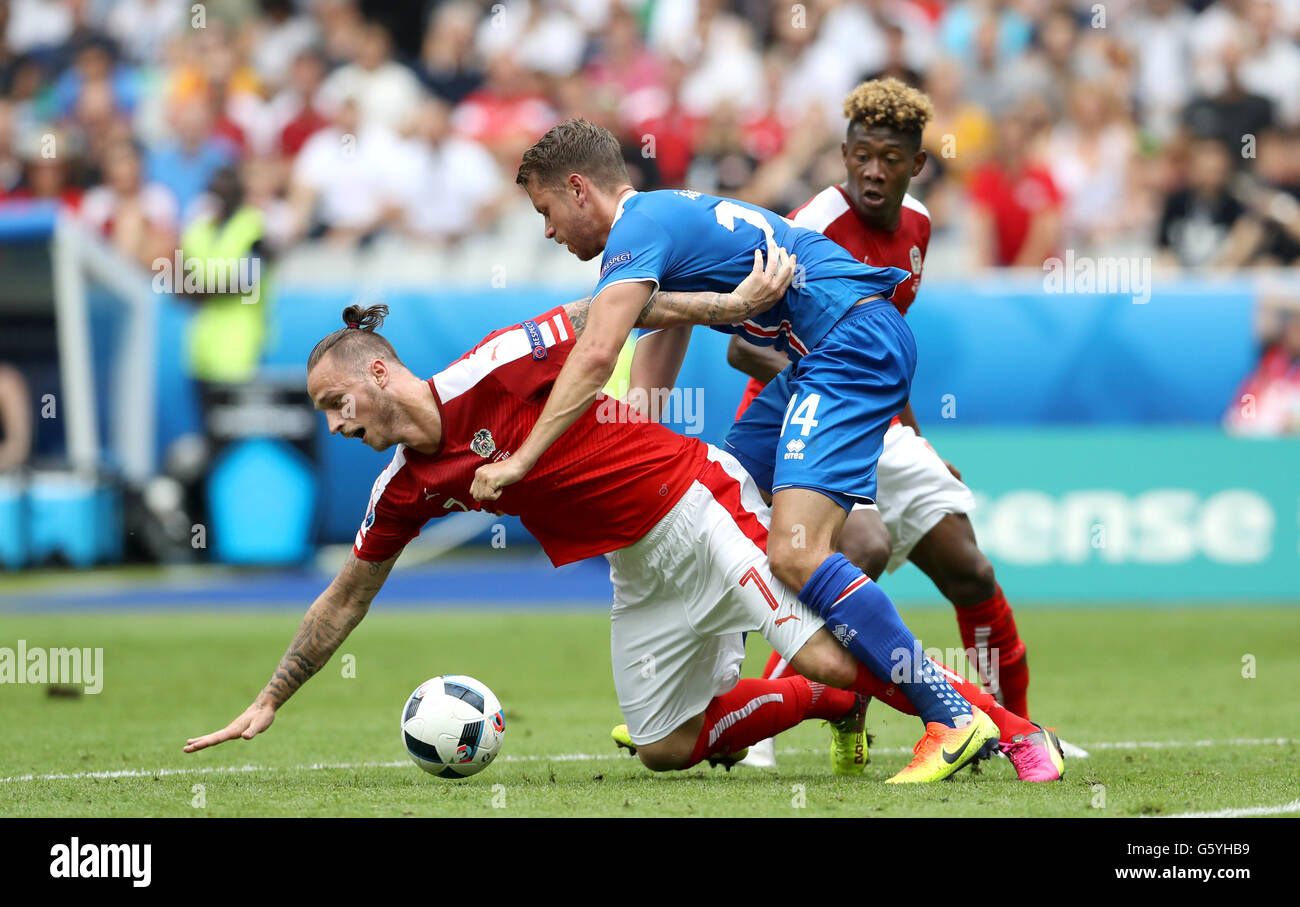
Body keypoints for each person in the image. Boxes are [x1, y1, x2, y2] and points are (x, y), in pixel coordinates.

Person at [184, 295, 1056, 783]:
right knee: (664, 746)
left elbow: (627, 305)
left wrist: (732, 304)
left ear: (378, 371)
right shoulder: (402, 488)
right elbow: (345, 597)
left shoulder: (498, 363)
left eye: (336, 403)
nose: (334, 426)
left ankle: (1012, 731)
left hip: (698, 502)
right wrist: (271, 695)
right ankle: (836, 705)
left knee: (831, 653)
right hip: (640, 569)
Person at [469, 118, 1027, 783]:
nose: (549, 231)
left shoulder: (637, 229)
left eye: (547, 211)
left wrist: (523, 458)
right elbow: (653, 368)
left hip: (844, 345)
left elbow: (595, 353)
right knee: (730, 492)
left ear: (580, 189)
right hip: (822, 354)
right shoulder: (662, 223)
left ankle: (958, 717)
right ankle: (710, 691)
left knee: (795, 551)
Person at [701, 79, 1034, 768]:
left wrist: (921, 441)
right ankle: (763, 713)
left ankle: (1017, 731)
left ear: (917, 163)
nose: (873, 170)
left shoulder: (918, 227)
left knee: (970, 569)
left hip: (877, 421)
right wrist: (830, 388)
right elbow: (741, 343)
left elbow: (882, 348)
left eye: (890, 156)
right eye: (861, 155)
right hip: (800, 415)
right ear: (844, 154)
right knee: (858, 550)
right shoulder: (809, 228)